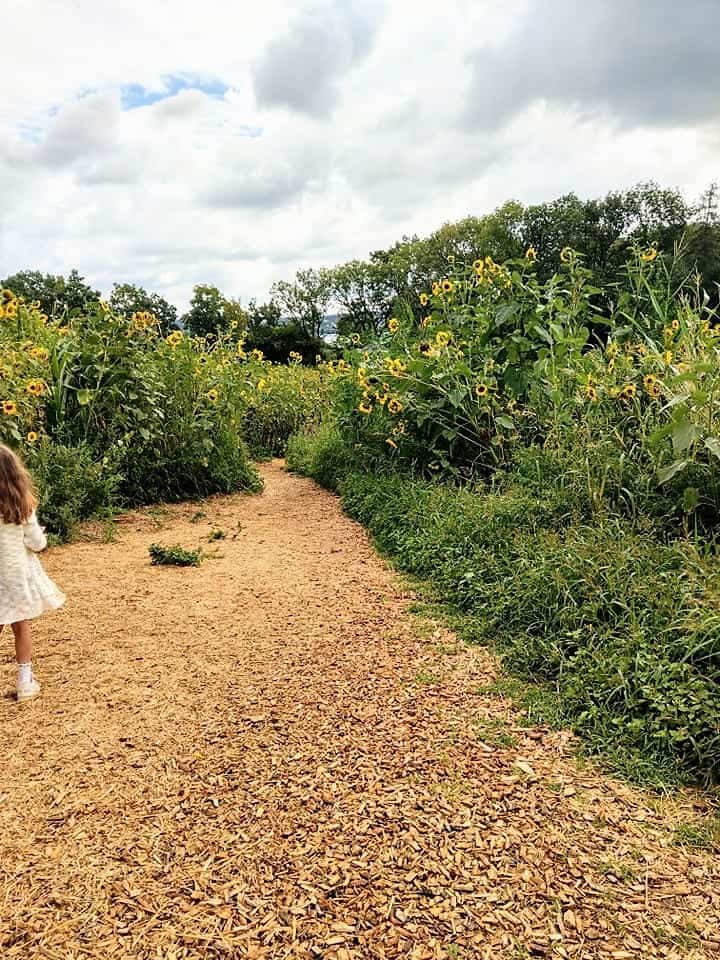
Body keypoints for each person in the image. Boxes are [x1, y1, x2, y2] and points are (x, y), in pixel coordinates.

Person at [0, 444, 65, 701]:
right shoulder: (22, 507)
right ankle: (25, 682)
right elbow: (37, 543)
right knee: (21, 626)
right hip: (15, 577)